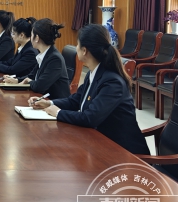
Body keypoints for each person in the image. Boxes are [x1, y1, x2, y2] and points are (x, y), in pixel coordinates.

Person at [30, 24, 150, 155]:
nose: (76, 48)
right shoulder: (93, 73)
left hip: (124, 153)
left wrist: (58, 113)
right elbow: (76, 100)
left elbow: (90, 118)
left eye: (77, 44)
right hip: (100, 143)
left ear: (84, 50)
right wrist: (49, 103)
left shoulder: (112, 82)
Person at [2, 18, 70, 98]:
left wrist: (29, 81)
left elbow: (39, 86)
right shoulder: (44, 54)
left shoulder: (55, 59)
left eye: (31, 35)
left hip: (53, 102)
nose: (30, 38)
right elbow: (32, 76)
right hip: (41, 98)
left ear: (37, 38)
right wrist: (17, 80)